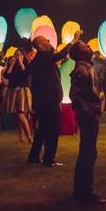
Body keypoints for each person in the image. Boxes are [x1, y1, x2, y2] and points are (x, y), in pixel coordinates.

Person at [28, 34, 76, 167]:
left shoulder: (39, 59)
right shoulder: (44, 57)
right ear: (41, 46)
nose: (49, 41)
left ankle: (34, 156)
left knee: (42, 130)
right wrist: (73, 41)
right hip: (49, 102)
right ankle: (49, 158)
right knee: (52, 131)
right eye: (46, 40)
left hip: (43, 102)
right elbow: (60, 55)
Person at [69, 40, 106, 204]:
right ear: (80, 53)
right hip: (88, 116)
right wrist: (89, 112)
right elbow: (75, 96)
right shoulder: (80, 71)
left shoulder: (88, 67)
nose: (89, 46)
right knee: (88, 152)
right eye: (84, 46)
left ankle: (80, 189)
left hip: (92, 113)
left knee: (88, 152)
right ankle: (86, 192)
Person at [5, 43, 34, 143]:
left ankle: (29, 137)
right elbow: (7, 75)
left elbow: (26, 74)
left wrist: (21, 62)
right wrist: (12, 64)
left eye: (19, 54)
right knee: (18, 115)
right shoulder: (12, 65)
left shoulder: (25, 64)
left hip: (23, 90)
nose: (17, 56)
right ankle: (21, 137)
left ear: (23, 55)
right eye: (16, 54)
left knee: (21, 114)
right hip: (14, 91)